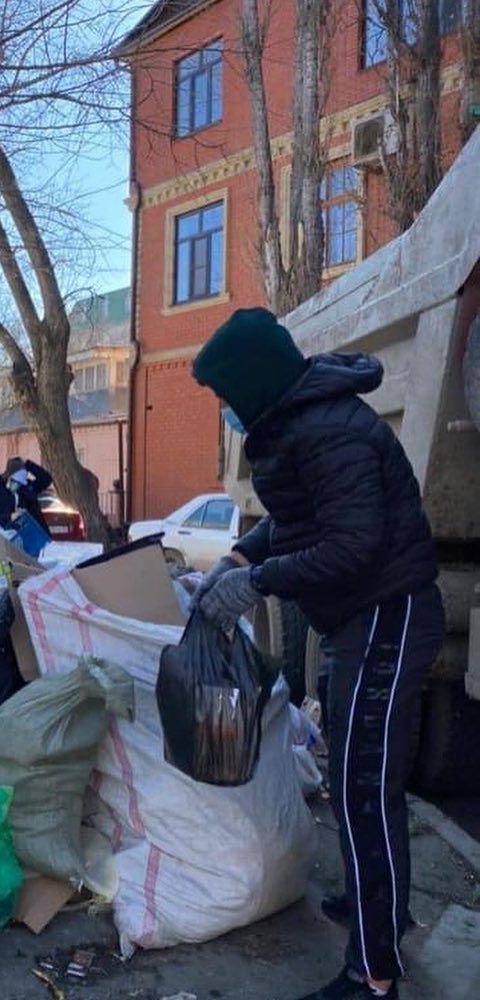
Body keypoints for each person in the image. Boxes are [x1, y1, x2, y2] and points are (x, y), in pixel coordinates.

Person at [191, 308, 443, 1000]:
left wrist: (257, 582)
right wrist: (243, 553)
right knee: (351, 778)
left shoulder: (329, 430)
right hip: (357, 622)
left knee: (367, 786)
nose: (225, 411)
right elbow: (302, 518)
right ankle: (376, 913)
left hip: (387, 617)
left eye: (224, 396)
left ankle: (375, 972)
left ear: (252, 382)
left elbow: (351, 543)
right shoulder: (299, 424)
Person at [0, 456, 52, 532]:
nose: (17, 485)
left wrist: (28, 464)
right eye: (15, 482)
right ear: (9, 476)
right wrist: (10, 517)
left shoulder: (25, 488)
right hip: (4, 536)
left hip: (31, 535)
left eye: (20, 483)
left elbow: (46, 479)